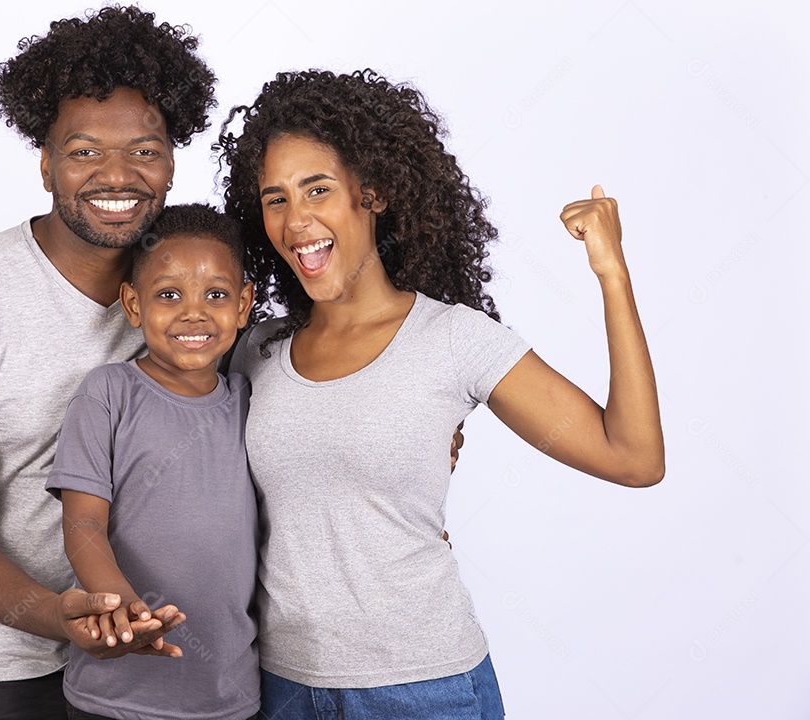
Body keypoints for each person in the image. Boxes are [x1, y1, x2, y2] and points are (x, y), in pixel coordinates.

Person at [218, 69, 664, 719]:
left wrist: (612, 273)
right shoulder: (253, 349)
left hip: (424, 690)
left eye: (318, 189)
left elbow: (634, 457)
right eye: (275, 198)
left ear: (371, 194)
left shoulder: (452, 339)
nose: (297, 220)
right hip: (283, 687)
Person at [0, 8, 217, 718]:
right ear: (45, 162)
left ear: (172, 160)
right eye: (85, 151)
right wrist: (60, 616)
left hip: (169, 661)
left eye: (145, 151)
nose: (118, 175)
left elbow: (310, 375)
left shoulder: (197, 296)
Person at [45, 203, 260, 720]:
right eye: (169, 295)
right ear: (133, 305)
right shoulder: (108, 394)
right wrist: (123, 608)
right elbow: (83, 525)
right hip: (114, 698)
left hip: (229, 698)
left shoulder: (250, 400)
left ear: (245, 304)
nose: (194, 312)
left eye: (216, 294)